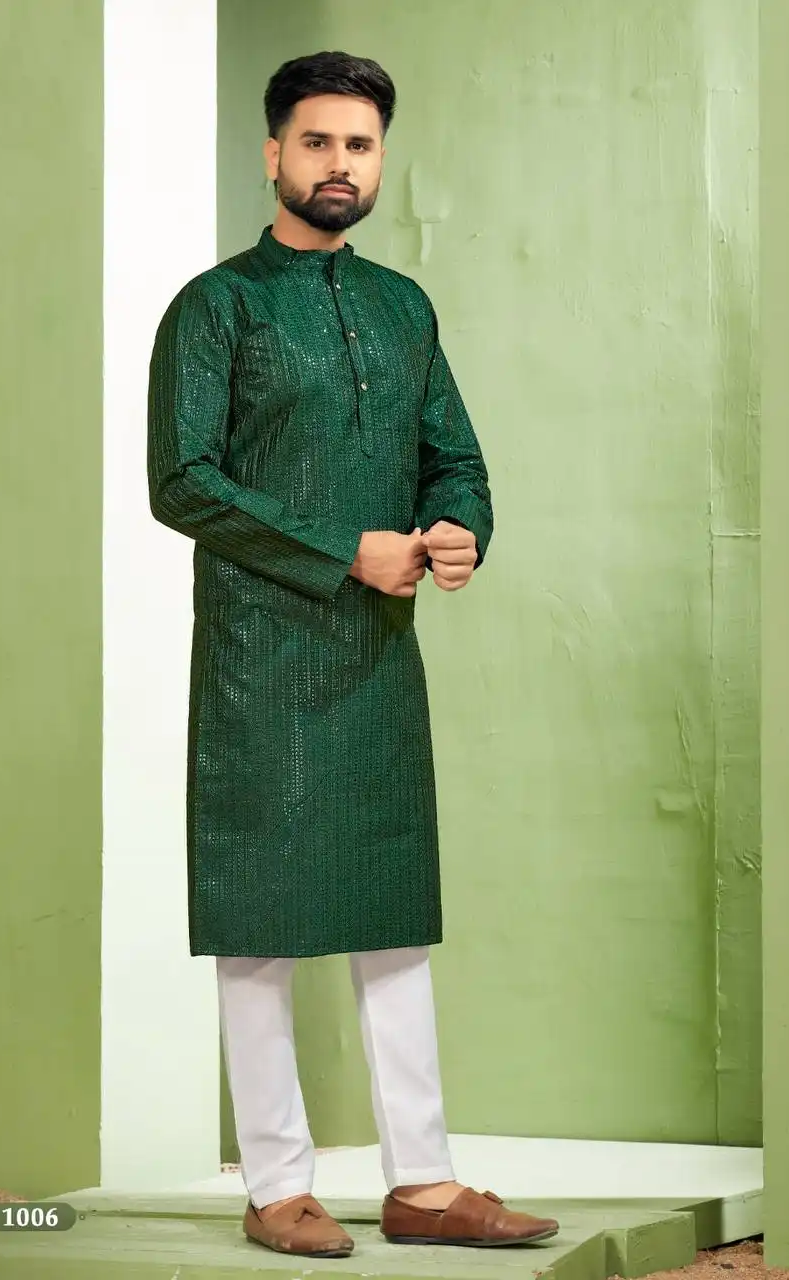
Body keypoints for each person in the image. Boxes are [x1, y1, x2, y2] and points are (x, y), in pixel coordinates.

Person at [147, 50, 558, 1259]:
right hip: (258, 658)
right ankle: (278, 1183)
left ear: (379, 160)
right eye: (317, 141)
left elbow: (455, 458)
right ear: (272, 153)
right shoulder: (216, 307)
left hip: (376, 653)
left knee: (391, 913)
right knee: (259, 918)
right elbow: (182, 481)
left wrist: (457, 528)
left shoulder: (400, 308)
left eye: (360, 145)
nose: (340, 164)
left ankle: (421, 1182)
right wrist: (345, 552)